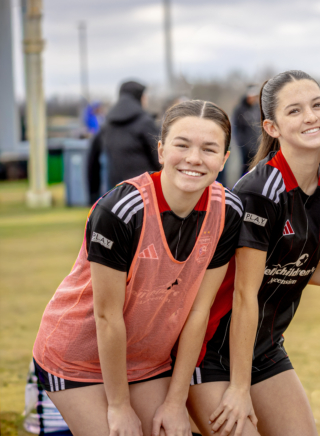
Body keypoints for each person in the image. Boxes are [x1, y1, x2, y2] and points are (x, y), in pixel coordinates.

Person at [33, 100, 241, 435]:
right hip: (78, 357)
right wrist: (119, 407)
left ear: (224, 158)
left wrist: (176, 401)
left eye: (209, 149)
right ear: (160, 150)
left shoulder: (228, 212)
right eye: (182, 145)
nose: (193, 158)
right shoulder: (121, 209)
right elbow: (106, 316)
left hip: (148, 361)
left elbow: (198, 312)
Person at [187, 70, 320, 436]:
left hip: (266, 349)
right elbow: (244, 294)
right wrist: (239, 389)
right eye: (295, 111)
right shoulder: (259, 191)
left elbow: (305, 266)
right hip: (211, 354)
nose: (311, 117)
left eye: (317, 105)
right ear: (272, 127)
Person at [87, 80, 160, 204]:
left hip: (117, 198)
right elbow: (160, 159)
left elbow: (91, 162)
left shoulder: (107, 125)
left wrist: (93, 196)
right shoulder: (145, 123)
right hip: (146, 195)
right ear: (139, 97)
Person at [232, 85, 263, 174]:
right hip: (245, 148)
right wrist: (243, 145)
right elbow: (237, 130)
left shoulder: (257, 109)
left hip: (257, 146)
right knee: (245, 169)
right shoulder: (240, 110)